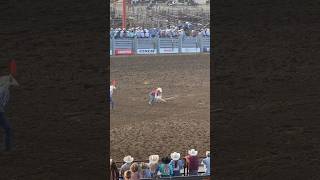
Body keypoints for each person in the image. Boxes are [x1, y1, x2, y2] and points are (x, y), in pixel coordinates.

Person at [0, 74, 19, 151]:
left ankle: (7, 147)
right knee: (8, 128)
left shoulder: (3, 90)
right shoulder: (4, 90)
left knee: (8, 128)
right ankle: (7, 147)